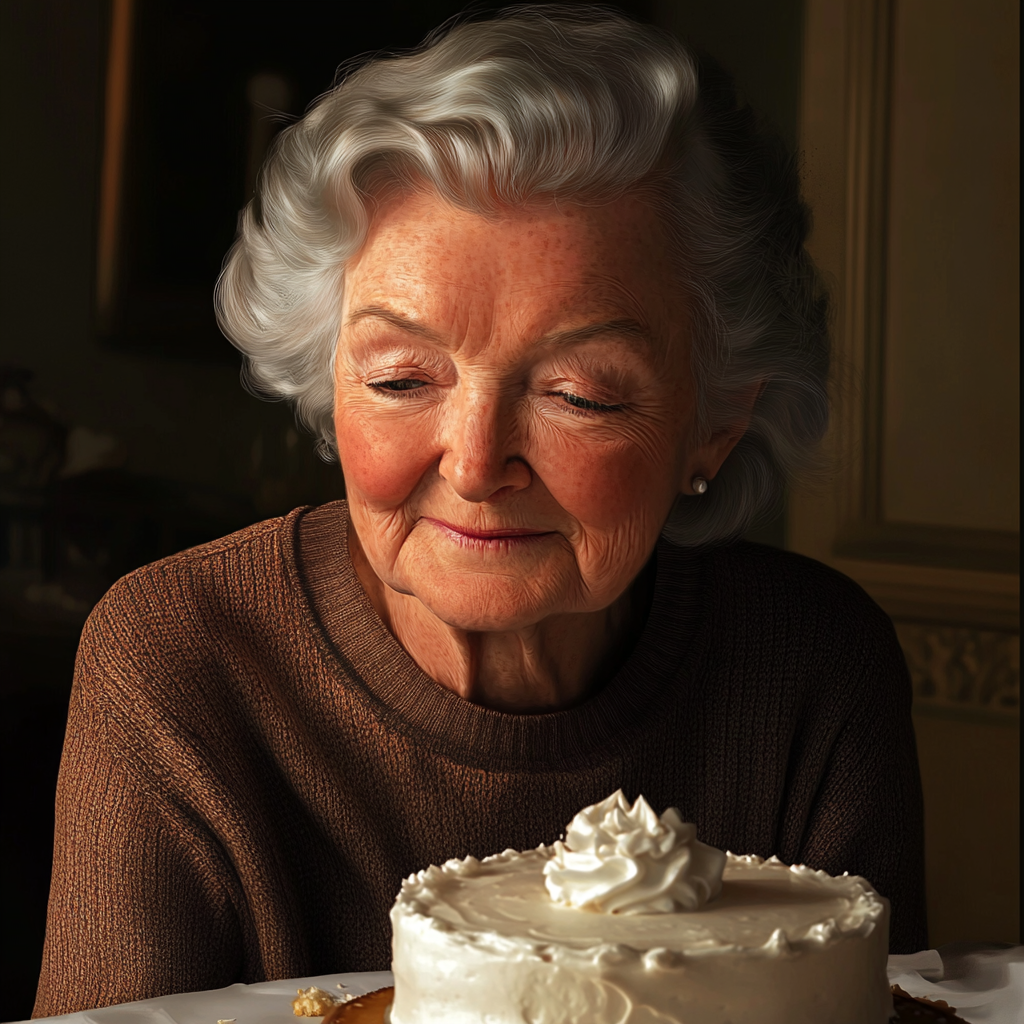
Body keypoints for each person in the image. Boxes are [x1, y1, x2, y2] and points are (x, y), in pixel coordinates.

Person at [34, 7, 926, 1015]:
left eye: (578, 393)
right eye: (402, 377)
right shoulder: (174, 657)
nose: (472, 460)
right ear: (330, 380)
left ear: (715, 423)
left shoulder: (813, 665)